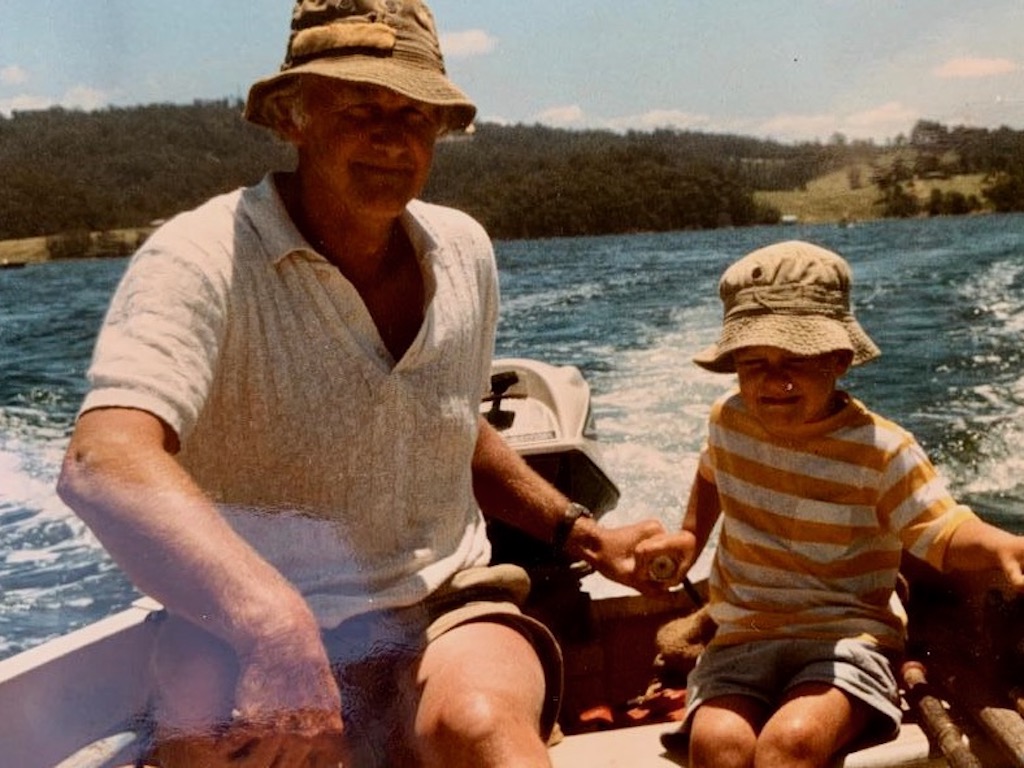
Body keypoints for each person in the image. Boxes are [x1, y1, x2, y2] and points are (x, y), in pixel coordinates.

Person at [56, 2, 670, 766]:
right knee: (208, 738)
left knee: (481, 725)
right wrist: (272, 623)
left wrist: (579, 532)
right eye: (359, 105)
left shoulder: (462, 250)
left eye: (414, 112)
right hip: (247, 625)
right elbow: (100, 459)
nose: (392, 135)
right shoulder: (200, 257)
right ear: (292, 116)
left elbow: (449, 423)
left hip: (445, 604)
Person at [644, 240, 1024, 768]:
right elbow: (713, 474)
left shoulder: (882, 450)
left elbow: (943, 528)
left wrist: (1003, 545)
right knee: (718, 746)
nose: (774, 380)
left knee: (789, 745)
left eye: (795, 360)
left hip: (846, 641)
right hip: (741, 636)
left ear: (839, 360)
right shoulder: (727, 420)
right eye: (754, 363)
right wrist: (689, 536)